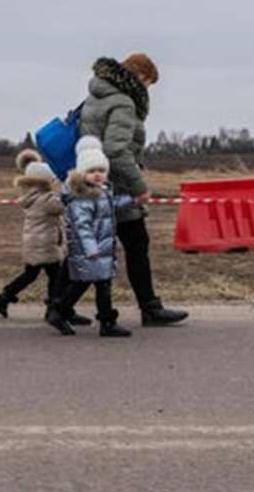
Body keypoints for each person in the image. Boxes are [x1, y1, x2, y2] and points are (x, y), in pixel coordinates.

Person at [79, 53, 188, 326]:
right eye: (149, 83)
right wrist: (139, 185)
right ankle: (150, 308)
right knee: (136, 244)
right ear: (140, 77)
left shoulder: (97, 95)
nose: (148, 90)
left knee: (88, 246)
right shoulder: (124, 102)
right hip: (117, 185)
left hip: (94, 181)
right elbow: (116, 150)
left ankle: (58, 305)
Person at [0, 149, 90, 325]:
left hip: (36, 242)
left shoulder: (31, 196)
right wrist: (76, 187)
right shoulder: (46, 199)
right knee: (56, 277)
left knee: (31, 274)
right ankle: (54, 309)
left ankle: (5, 296)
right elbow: (64, 205)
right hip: (46, 244)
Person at [47, 138, 134, 337]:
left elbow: (111, 207)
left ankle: (99, 320)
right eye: (92, 171)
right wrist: (91, 249)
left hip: (101, 250)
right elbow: (82, 226)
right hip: (90, 251)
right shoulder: (81, 197)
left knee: (98, 284)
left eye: (101, 171)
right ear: (82, 173)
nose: (97, 175)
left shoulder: (102, 192)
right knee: (87, 284)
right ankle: (67, 313)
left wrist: (131, 200)